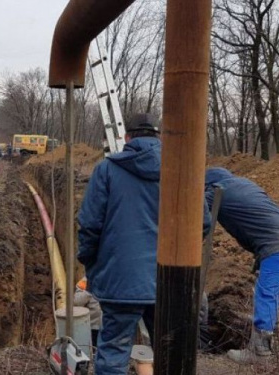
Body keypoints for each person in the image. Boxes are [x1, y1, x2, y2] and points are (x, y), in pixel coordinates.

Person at [77, 113, 211, 375]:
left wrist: (91, 264)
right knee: (171, 352)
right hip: (171, 281)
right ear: (158, 137)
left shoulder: (106, 170)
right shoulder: (183, 168)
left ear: (126, 138)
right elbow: (202, 223)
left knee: (114, 350)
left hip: (121, 278)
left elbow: (90, 226)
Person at [205, 167, 279, 364]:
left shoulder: (214, 192)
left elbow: (199, 221)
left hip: (274, 247)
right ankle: (266, 329)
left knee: (267, 292)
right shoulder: (245, 184)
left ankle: (260, 351)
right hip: (275, 241)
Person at [74, 276, 102, 348]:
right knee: (91, 349)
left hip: (108, 325)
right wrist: (88, 291)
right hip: (91, 326)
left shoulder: (113, 278)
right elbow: (77, 301)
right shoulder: (86, 280)